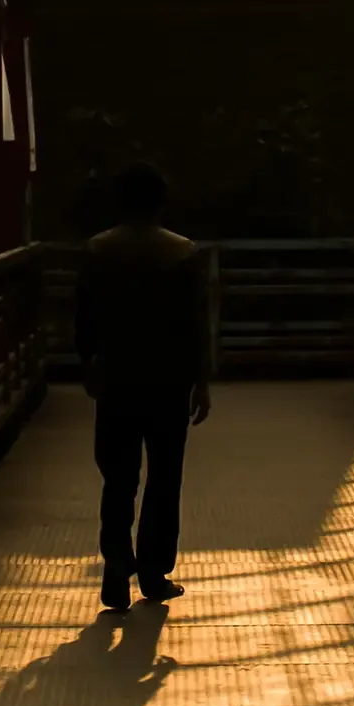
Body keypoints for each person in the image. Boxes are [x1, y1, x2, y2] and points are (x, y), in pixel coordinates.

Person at [74, 162, 213, 611]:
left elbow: (83, 319)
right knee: (164, 476)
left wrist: (87, 362)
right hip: (168, 381)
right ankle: (154, 572)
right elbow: (195, 323)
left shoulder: (98, 250)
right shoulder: (182, 252)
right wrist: (202, 380)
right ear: (160, 202)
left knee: (118, 477)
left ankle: (117, 565)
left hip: (117, 378)